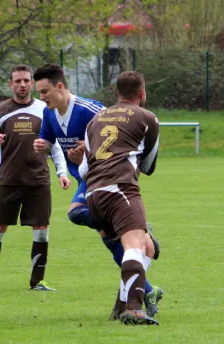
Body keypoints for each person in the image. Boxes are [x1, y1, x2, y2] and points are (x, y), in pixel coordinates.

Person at [32, 64, 163, 316]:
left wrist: (84, 154)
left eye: (44, 91)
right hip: (113, 183)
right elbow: (147, 165)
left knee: (98, 227)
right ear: (143, 94)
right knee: (128, 242)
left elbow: (108, 135)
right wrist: (48, 150)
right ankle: (137, 302)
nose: (42, 97)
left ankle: (128, 300)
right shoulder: (49, 114)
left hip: (92, 179)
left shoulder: (93, 113)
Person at [0, 64, 70, 291]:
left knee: (41, 228)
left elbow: (54, 146)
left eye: (26, 80)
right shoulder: (0, 111)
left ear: (31, 83)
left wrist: (62, 172)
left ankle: (38, 281)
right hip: (7, 180)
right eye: (18, 81)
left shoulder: (45, 109)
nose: (22, 85)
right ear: (11, 84)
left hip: (38, 181)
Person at [78, 70, 161, 325]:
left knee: (147, 247)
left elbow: (83, 169)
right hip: (121, 189)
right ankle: (134, 309)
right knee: (135, 245)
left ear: (117, 93)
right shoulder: (148, 118)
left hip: (92, 193)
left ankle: (121, 304)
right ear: (142, 93)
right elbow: (148, 166)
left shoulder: (95, 121)